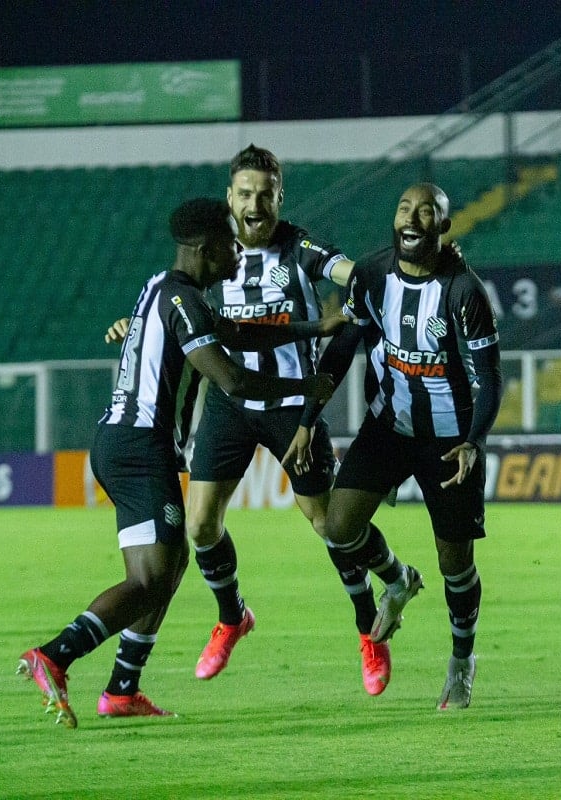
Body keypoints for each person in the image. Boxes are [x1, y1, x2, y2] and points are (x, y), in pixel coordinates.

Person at [18, 198, 338, 728]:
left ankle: (122, 689)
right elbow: (232, 378)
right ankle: (55, 655)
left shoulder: (162, 288)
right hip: (141, 449)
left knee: (167, 570)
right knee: (148, 579)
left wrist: (311, 329)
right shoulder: (185, 301)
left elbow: (237, 333)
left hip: (124, 442)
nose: (239, 254)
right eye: (231, 245)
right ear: (207, 248)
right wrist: (307, 386)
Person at [105, 144, 401, 694]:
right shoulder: (213, 252)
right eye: (245, 193)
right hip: (231, 404)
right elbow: (186, 310)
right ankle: (231, 615)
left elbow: (342, 268)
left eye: (265, 194)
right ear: (229, 198)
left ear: (279, 197)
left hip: (293, 406)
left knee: (325, 523)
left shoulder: (298, 246)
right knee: (199, 524)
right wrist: (140, 324)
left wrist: (367, 279)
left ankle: (370, 632)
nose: (255, 204)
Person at [291, 182, 503, 710]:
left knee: (456, 562)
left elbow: (490, 379)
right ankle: (399, 579)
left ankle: (461, 662)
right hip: (389, 425)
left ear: (443, 227)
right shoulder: (371, 276)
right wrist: (306, 418)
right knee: (338, 527)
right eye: (404, 208)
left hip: (450, 441)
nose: (412, 217)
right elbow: (343, 347)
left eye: (426, 211)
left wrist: (474, 442)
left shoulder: (464, 292)